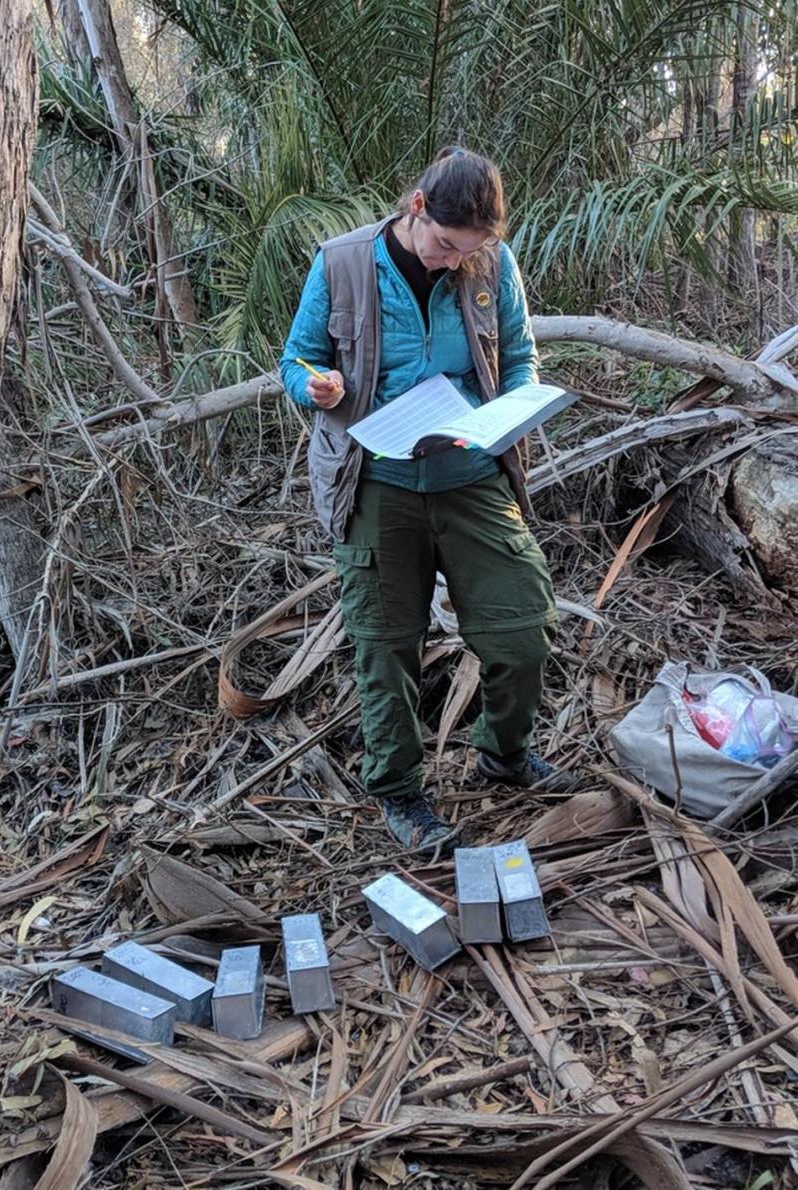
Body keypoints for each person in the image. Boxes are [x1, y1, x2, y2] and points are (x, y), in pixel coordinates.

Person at [279, 146, 574, 853]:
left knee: (524, 624)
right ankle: (401, 794)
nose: (450, 261)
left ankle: (503, 752)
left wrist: (508, 411)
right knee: (387, 648)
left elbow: (520, 354)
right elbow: (296, 358)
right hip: (378, 482)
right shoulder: (343, 263)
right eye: (444, 245)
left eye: (466, 252)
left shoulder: (490, 265)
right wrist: (315, 385)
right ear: (417, 208)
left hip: (470, 475)